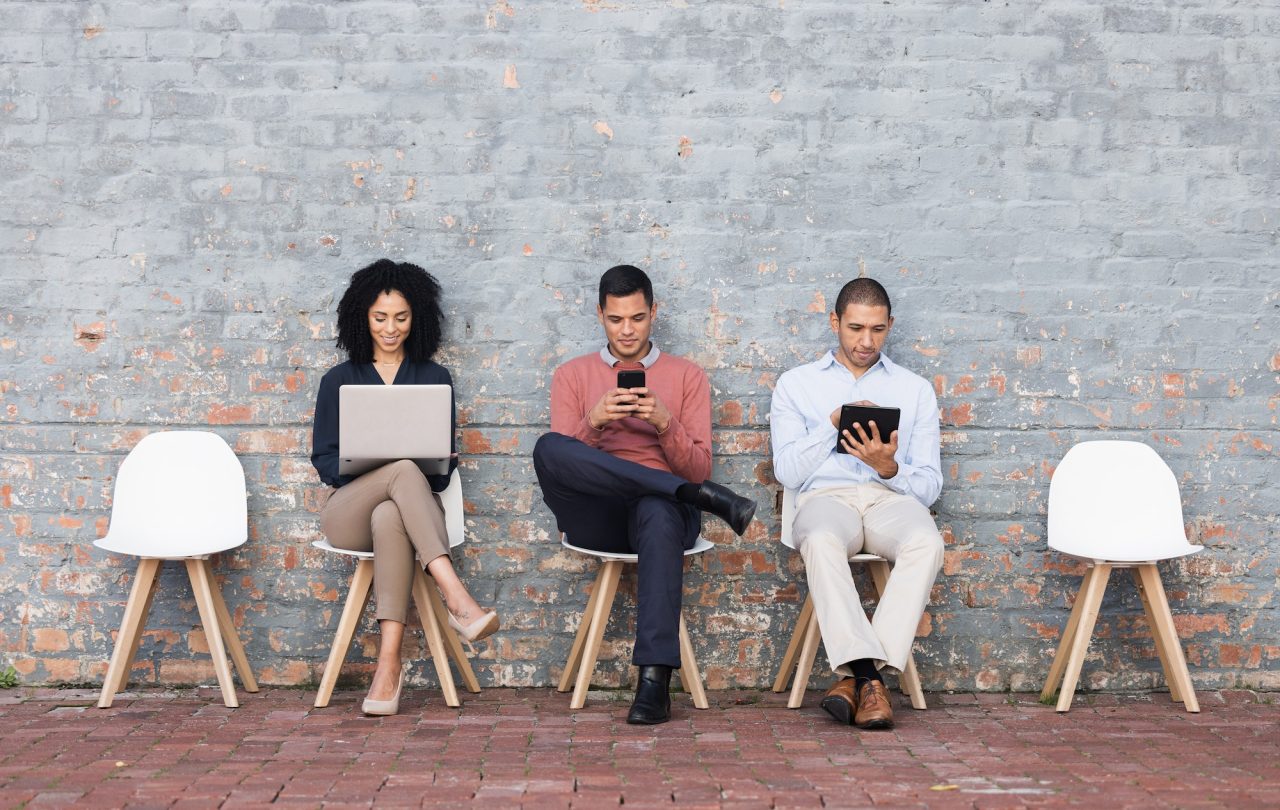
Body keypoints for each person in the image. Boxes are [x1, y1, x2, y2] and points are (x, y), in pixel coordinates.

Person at [533, 264, 757, 725]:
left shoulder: (687, 376)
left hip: (663, 517)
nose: (627, 330)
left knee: (657, 508)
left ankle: (654, 685)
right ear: (600, 315)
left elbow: (698, 467)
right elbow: (564, 463)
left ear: (654, 313)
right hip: (598, 514)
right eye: (616, 319)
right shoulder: (572, 375)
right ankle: (704, 497)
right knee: (547, 447)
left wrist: (665, 424)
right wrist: (594, 422)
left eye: (637, 318)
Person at [311, 259, 498, 716]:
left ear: (417, 319)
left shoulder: (434, 378)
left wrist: (431, 462)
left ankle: (388, 667)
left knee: (392, 512)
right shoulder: (338, 380)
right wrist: (378, 466)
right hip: (347, 513)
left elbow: (439, 475)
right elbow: (324, 461)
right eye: (380, 317)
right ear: (362, 317)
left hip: (403, 515)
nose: (390, 328)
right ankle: (456, 595)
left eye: (401, 317)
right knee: (399, 471)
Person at [770, 277, 944, 730]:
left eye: (877, 330)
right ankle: (870, 677)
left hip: (889, 497)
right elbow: (787, 471)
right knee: (821, 539)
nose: (866, 341)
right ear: (835, 322)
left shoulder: (914, 389)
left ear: (890, 326)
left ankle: (859, 679)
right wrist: (832, 425)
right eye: (855, 328)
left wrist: (890, 468)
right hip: (826, 498)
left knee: (927, 542)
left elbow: (929, 486)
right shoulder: (796, 384)